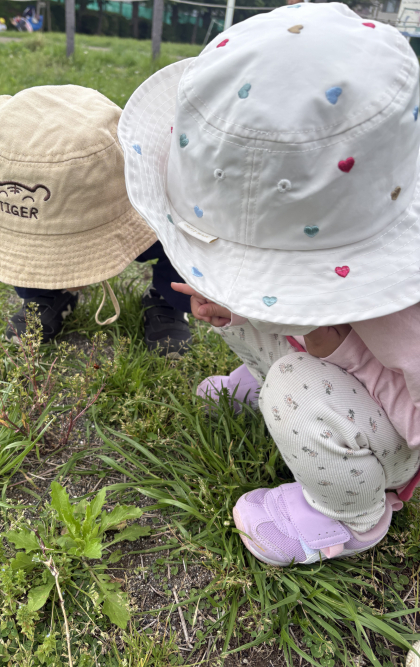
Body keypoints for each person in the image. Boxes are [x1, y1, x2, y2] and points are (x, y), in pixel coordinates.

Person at [118, 2, 420, 564]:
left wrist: (339, 351)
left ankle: (352, 516)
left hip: (394, 429)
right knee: (245, 315)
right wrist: (240, 310)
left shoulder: (406, 311)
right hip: (332, 355)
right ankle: (281, 387)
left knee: (293, 383)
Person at [0, 85, 192, 358]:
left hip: (120, 204)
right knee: (25, 253)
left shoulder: (142, 194)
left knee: (174, 240)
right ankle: (44, 293)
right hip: (48, 204)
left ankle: (167, 298)